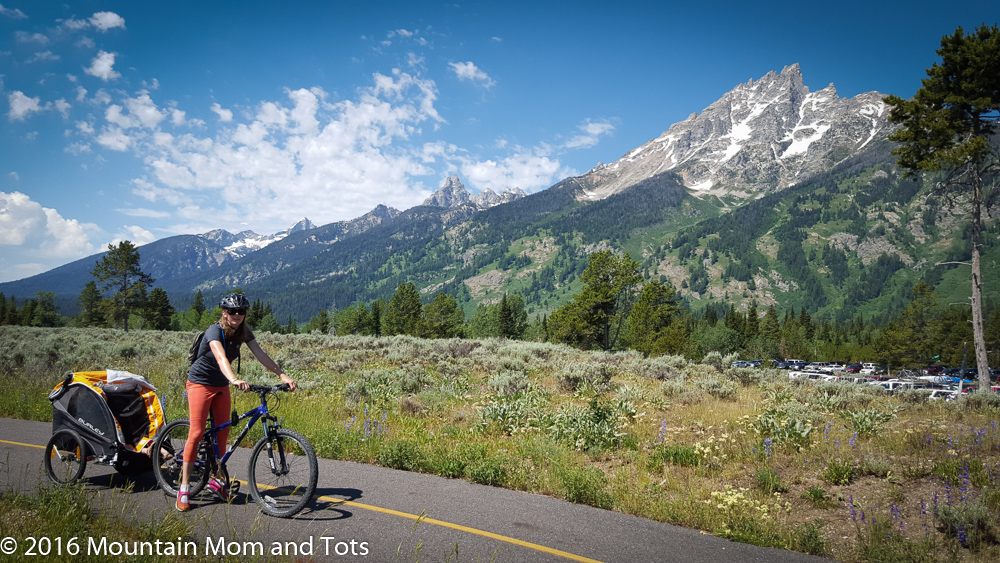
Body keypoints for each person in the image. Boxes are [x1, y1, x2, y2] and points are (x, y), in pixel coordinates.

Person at [176, 293, 297, 512]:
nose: (237, 315)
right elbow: (221, 357)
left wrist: (282, 375)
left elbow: (261, 354)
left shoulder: (243, 331)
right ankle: (184, 487)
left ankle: (217, 480)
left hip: (221, 385)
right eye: (232, 311)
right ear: (224, 312)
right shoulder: (215, 331)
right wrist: (233, 379)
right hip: (200, 383)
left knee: (222, 434)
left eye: (241, 311)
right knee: (196, 433)